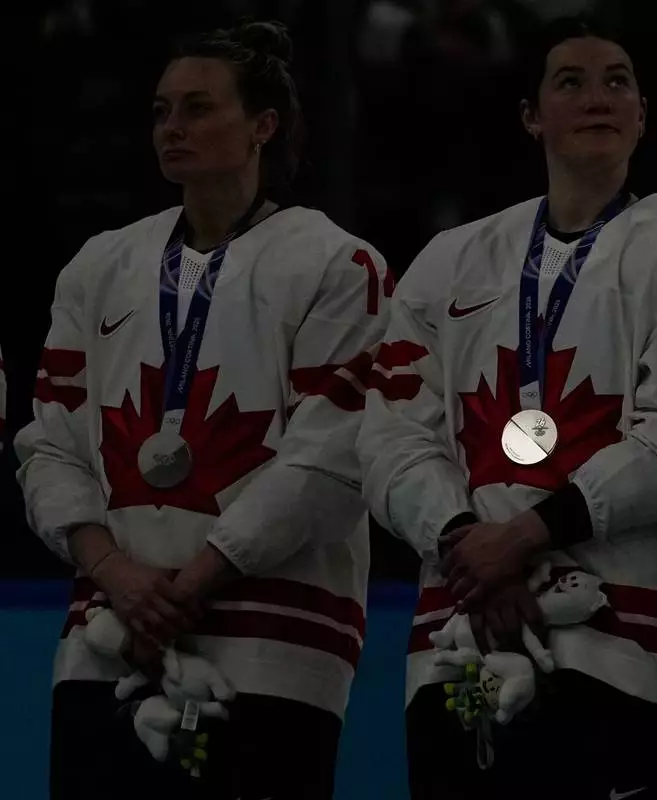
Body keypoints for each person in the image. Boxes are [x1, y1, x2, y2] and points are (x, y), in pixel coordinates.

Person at [358, 15, 657, 800]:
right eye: (570, 82)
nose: (596, 97)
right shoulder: (450, 262)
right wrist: (462, 543)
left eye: (617, 81)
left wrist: (522, 536)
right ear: (530, 115)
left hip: (635, 650)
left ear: (643, 114)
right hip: (464, 642)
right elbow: (390, 438)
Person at [16, 20, 389, 800]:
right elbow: (48, 442)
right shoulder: (99, 263)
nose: (172, 128)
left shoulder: (335, 262)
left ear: (263, 126)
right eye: (160, 111)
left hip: (274, 641)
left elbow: (333, 455)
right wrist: (114, 571)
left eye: (196, 108)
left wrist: (188, 583)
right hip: (108, 636)